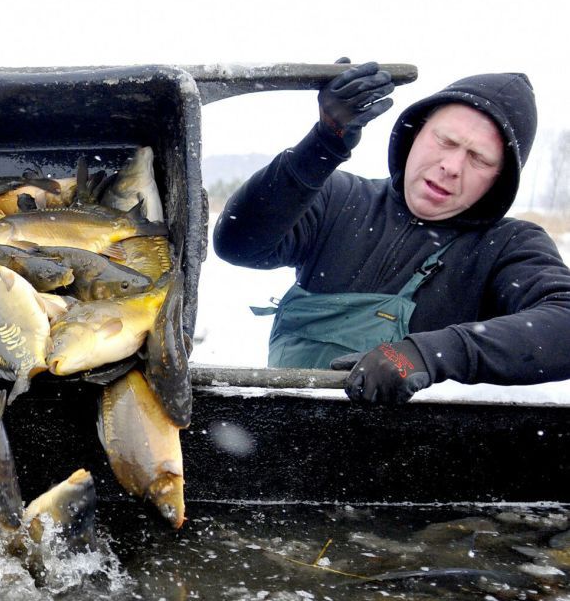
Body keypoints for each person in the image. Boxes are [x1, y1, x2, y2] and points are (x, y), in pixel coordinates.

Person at [214, 60, 570, 404]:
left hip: (411, 460)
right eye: (445, 141)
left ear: (500, 179)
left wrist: (429, 354)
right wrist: (323, 143)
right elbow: (238, 243)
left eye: (479, 159)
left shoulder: (506, 246)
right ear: (416, 133)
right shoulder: (339, 199)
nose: (451, 166)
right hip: (284, 442)